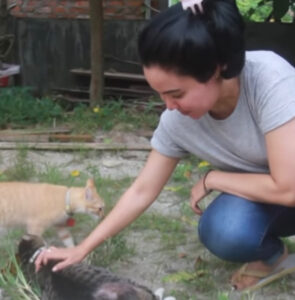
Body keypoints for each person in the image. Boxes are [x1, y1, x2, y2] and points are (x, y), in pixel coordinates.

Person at [35, 0, 295, 291]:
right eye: (161, 95)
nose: (169, 106)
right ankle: (275, 256)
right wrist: (81, 248)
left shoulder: (269, 80)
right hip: (273, 197)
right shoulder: (178, 121)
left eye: (177, 93)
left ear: (216, 68)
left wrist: (214, 178)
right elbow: (142, 190)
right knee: (223, 230)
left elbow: (289, 187)